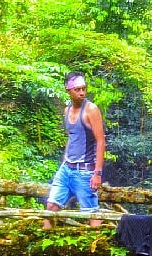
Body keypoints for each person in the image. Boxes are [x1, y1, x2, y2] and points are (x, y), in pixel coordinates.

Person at [44, 71, 106, 228]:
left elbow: (100, 141)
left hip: (85, 171)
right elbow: (72, 138)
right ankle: (42, 248)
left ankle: (99, 248)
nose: (82, 92)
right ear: (68, 90)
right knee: (51, 208)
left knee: (92, 214)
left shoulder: (91, 110)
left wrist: (97, 173)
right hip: (67, 169)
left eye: (84, 88)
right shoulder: (67, 110)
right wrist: (64, 161)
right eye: (77, 89)